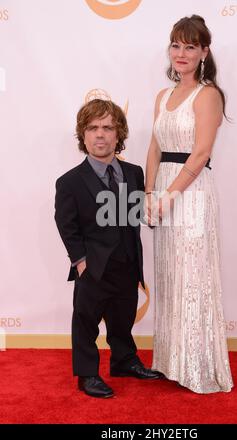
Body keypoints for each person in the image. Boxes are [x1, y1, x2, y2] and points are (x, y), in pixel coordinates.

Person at [145, 15, 233, 393]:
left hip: (191, 193)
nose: (181, 53)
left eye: (190, 47)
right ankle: (171, 361)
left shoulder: (208, 94)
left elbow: (200, 155)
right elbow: (154, 147)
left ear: (204, 52)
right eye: (176, 45)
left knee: (192, 276)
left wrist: (168, 195)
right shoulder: (162, 96)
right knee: (169, 274)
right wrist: (149, 193)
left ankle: (197, 366)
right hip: (163, 191)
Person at [55, 99, 161, 398]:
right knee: (86, 320)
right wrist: (80, 261)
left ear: (118, 134)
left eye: (107, 128)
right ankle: (87, 374)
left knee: (123, 316)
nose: (99, 135)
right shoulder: (70, 182)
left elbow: (138, 212)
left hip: (127, 261)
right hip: (94, 265)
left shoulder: (133, 173)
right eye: (92, 128)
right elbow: (66, 225)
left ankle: (124, 360)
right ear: (83, 135)